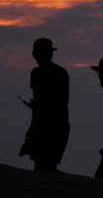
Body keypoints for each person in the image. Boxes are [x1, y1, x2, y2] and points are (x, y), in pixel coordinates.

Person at [19, 38, 70, 171]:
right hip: (62, 125)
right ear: (51, 53)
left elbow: (39, 101)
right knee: (51, 166)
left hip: (45, 126)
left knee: (41, 167)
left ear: (33, 54)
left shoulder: (37, 72)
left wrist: (32, 127)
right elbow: (61, 100)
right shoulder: (62, 72)